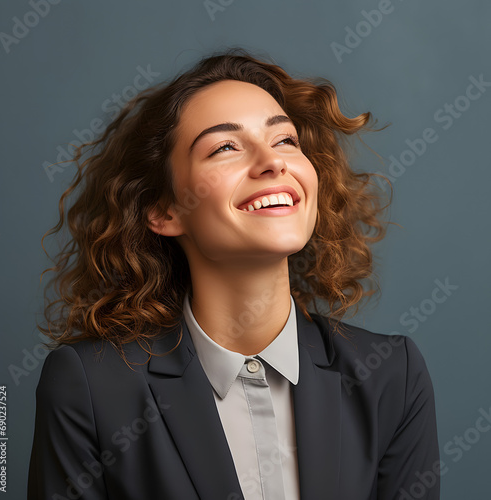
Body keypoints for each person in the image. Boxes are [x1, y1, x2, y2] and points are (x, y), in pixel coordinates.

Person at [28, 47, 440, 500]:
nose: (273, 161)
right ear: (162, 210)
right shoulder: (89, 388)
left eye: (285, 140)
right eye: (225, 146)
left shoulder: (392, 378)